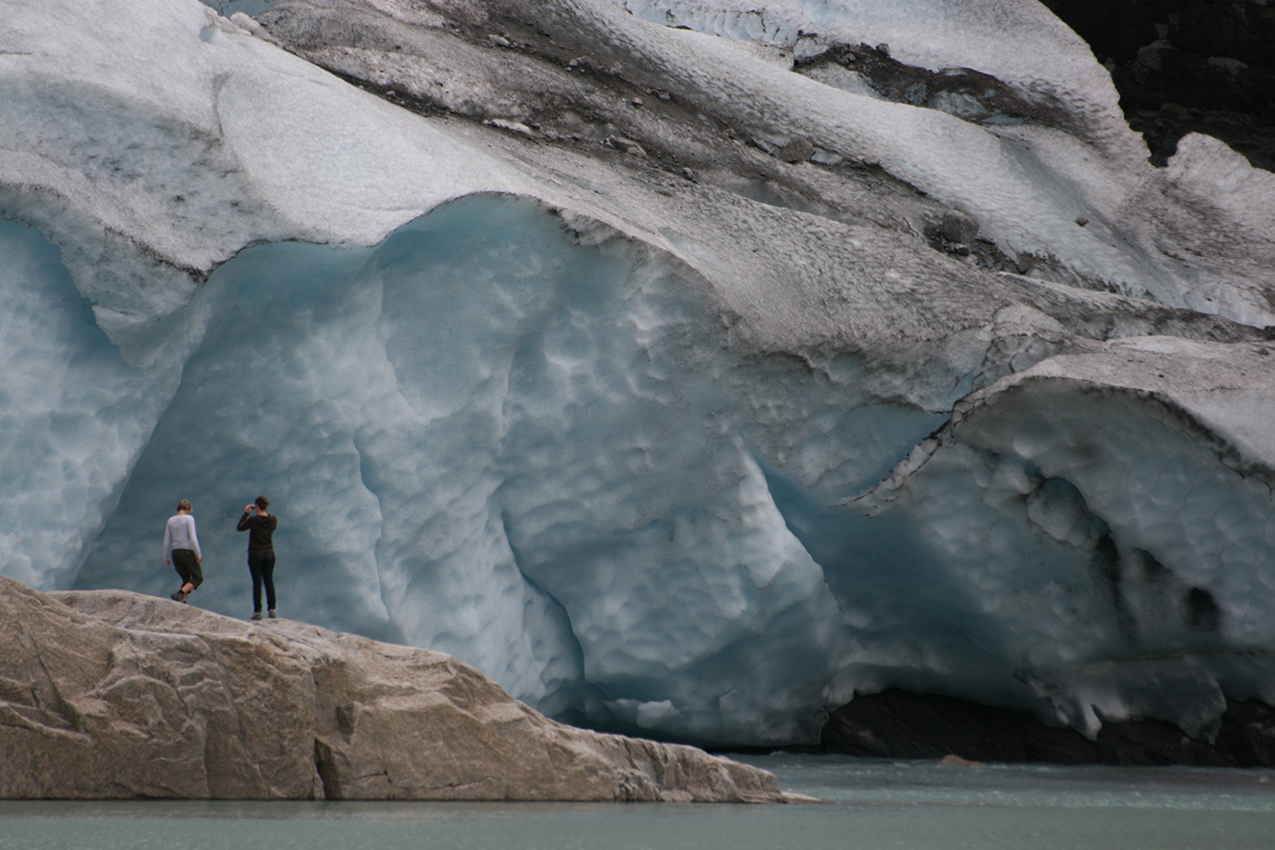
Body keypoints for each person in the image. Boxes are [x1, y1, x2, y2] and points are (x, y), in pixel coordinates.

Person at [237, 496, 279, 620]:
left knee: (257, 583)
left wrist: (245, 513)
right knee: (269, 581)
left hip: (255, 554)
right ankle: (272, 609)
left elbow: (240, 527)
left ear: (256, 506)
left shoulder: (253, 520)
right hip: (269, 553)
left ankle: (258, 611)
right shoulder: (273, 520)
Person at [163, 499, 202, 603]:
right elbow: (193, 538)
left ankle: (182, 602)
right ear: (187, 509)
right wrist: (198, 554)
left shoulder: (170, 520)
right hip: (187, 551)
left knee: (186, 579)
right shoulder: (189, 518)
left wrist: (166, 558)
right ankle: (179, 593)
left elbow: (166, 541)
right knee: (198, 578)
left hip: (175, 553)